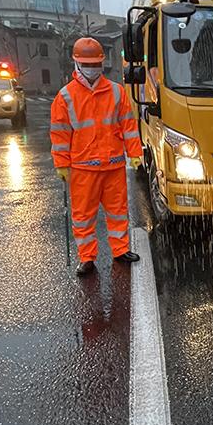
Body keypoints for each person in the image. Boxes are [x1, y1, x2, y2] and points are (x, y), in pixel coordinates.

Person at [50, 37, 143, 276]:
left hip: (113, 165)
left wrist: (135, 153)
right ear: (77, 64)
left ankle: (120, 250)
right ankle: (87, 258)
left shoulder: (116, 92)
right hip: (83, 168)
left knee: (118, 211)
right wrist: (61, 164)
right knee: (83, 216)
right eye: (87, 63)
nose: (92, 68)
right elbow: (60, 134)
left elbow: (129, 126)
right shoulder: (66, 96)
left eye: (95, 63)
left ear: (102, 63)